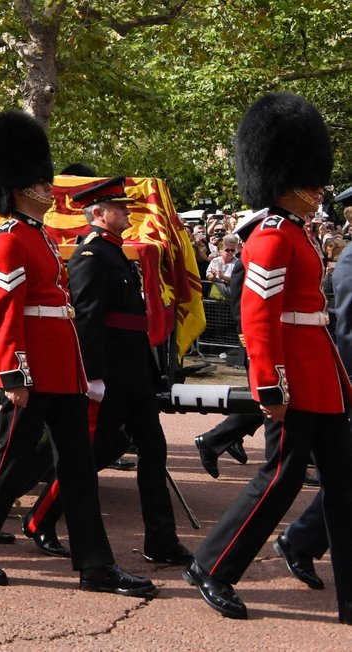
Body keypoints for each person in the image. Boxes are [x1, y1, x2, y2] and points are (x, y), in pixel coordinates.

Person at [0, 110, 155, 597]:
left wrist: (80, 370)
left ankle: (95, 565)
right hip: (32, 371)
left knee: (78, 466)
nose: (48, 187)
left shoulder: (39, 235)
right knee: (11, 457)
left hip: (62, 370)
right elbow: (4, 313)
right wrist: (13, 375)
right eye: (41, 181)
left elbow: (60, 311)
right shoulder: (10, 239)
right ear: (20, 187)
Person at [185, 93, 352, 625]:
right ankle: (212, 567)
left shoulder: (297, 233)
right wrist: (271, 387)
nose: (319, 190)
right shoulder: (273, 237)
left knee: (345, 488)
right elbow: (258, 320)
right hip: (295, 382)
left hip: (320, 378)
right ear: (285, 179)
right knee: (278, 481)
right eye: (311, 181)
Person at [21, 177, 193, 566]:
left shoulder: (114, 253)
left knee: (154, 450)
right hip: (110, 376)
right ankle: (40, 518)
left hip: (134, 372)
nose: (127, 213)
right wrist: (93, 375)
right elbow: (87, 319)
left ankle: (161, 540)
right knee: (87, 455)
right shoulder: (91, 256)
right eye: (119, 208)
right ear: (98, 214)